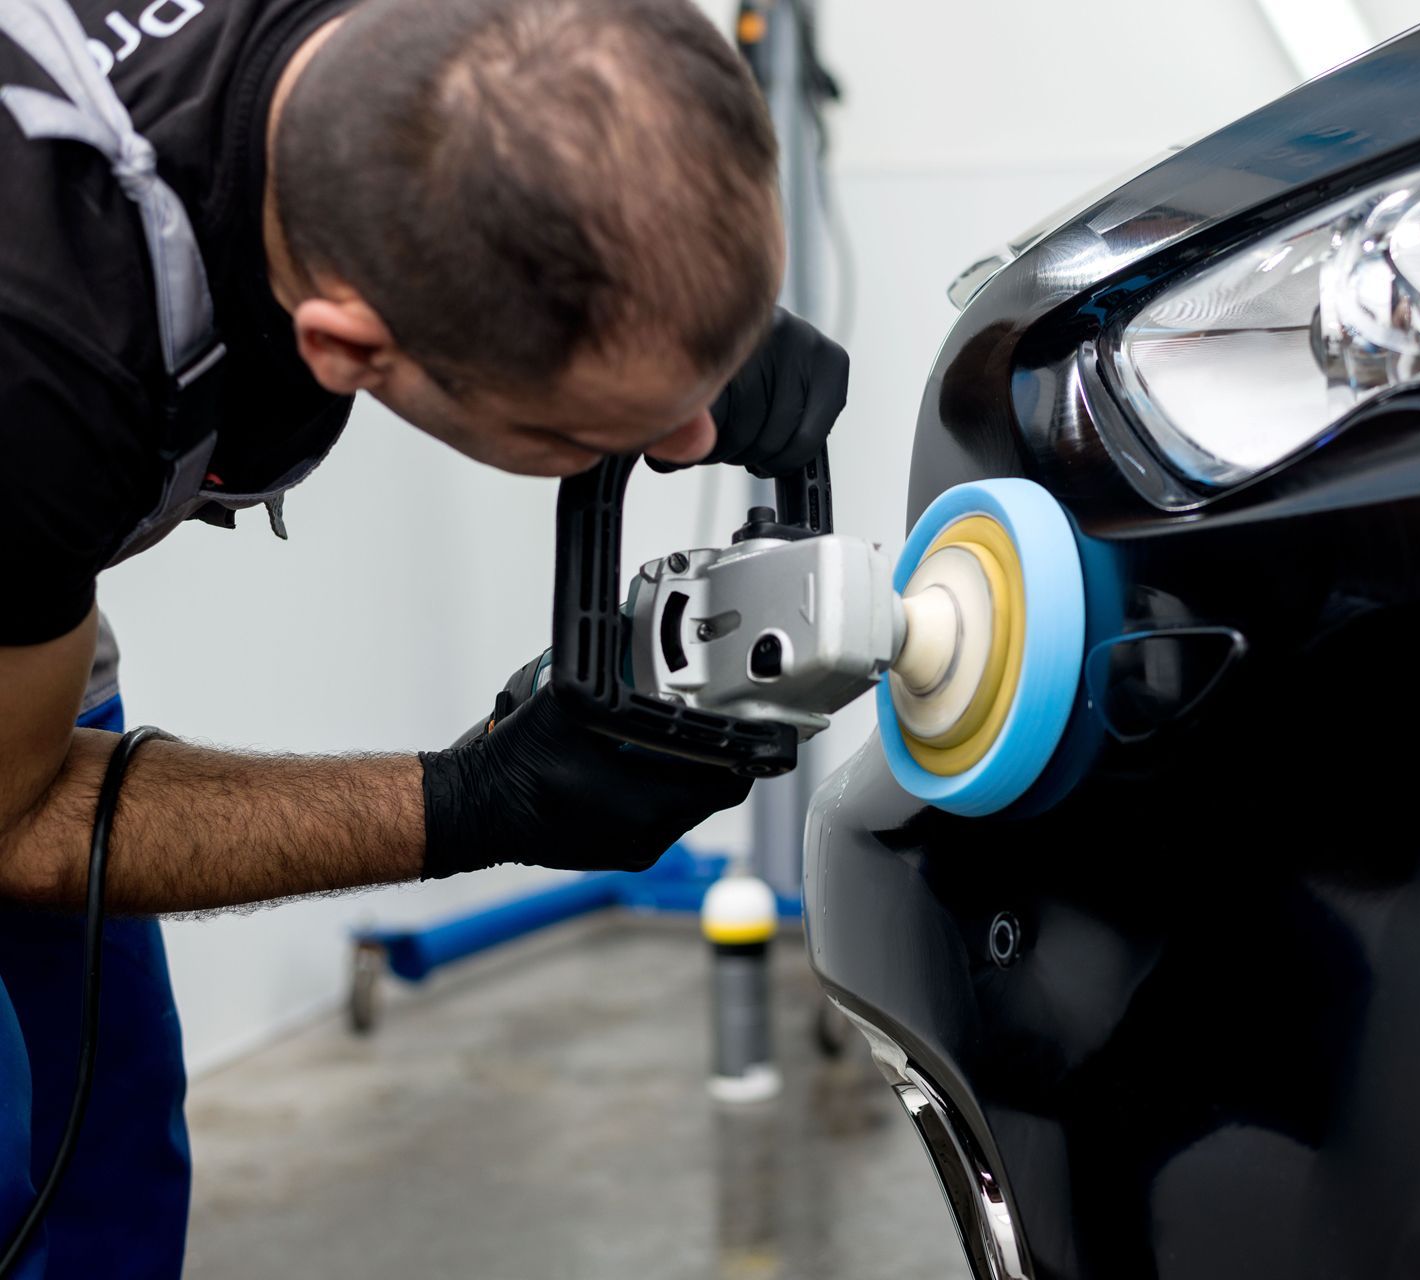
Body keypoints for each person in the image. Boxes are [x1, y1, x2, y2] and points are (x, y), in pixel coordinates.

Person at [0, 0, 849, 1272]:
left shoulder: (466, 64)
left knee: (110, 1146)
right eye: (590, 436)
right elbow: (16, 824)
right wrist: (468, 804)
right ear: (347, 346)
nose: (685, 448)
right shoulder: (51, 363)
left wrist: (683, 297)